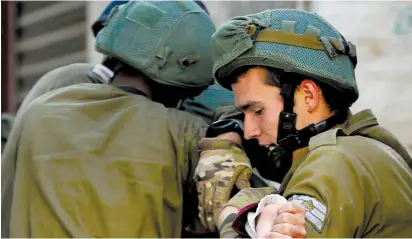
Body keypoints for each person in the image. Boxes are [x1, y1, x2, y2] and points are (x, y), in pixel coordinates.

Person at [1, 2, 305, 238]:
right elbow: (242, 208)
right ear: (183, 77)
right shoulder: (183, 130)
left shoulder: (39, 110)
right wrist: (230, 136)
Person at [195, 8, 412, 237]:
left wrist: (236, 213)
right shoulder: (367, 148)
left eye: (258, 110)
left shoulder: (330, 166)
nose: (249, 131)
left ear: (308, 96)